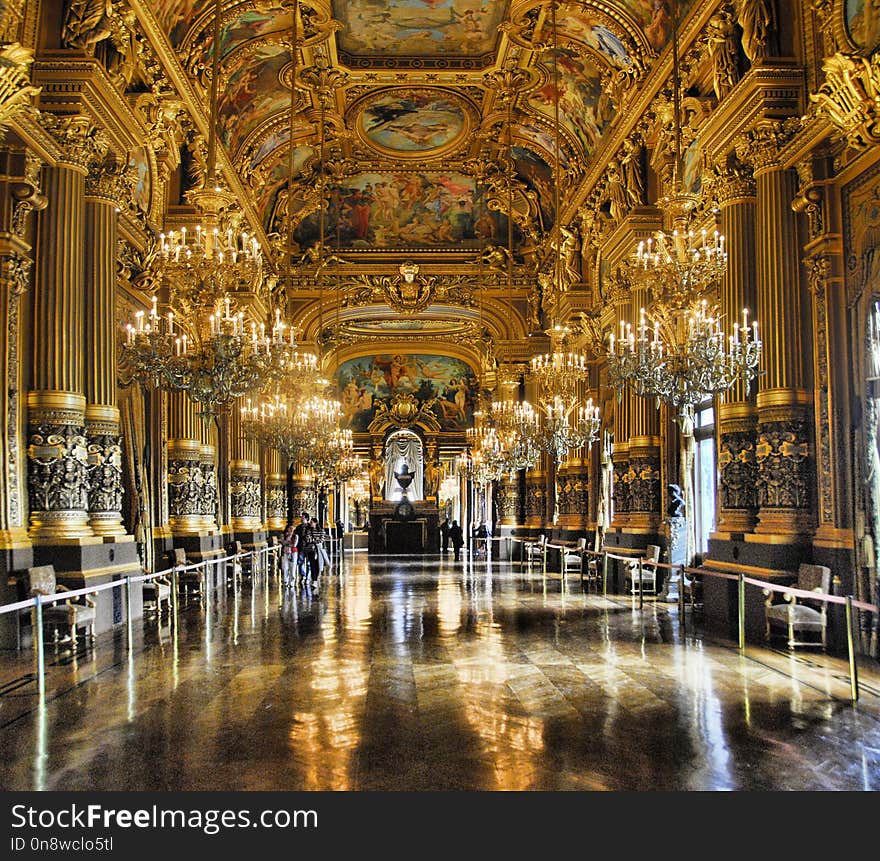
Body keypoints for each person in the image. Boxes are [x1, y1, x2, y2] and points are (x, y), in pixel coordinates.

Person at [292, 511, 311, 580]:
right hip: (301, 547)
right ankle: (303, 575)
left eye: (302, 518)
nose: (301, 519)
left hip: (309, 547)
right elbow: (295, 536)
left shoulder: (310, 527)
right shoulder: (298, 527)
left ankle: (308, 577)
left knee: (309, 563)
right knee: (300, 561)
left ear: (306, 518)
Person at [281, 522, 296, 587]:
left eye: (292, 528)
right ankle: (285, 581)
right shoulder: (285, 536)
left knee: (292, 568)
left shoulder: (295, 536)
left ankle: (292, 582)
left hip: (293, 553)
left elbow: (294, 544)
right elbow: (283, 542)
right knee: (285, 567)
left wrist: (287, 543)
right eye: (290, 528)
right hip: (285, 552)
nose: (291, 530)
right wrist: (288, 543)